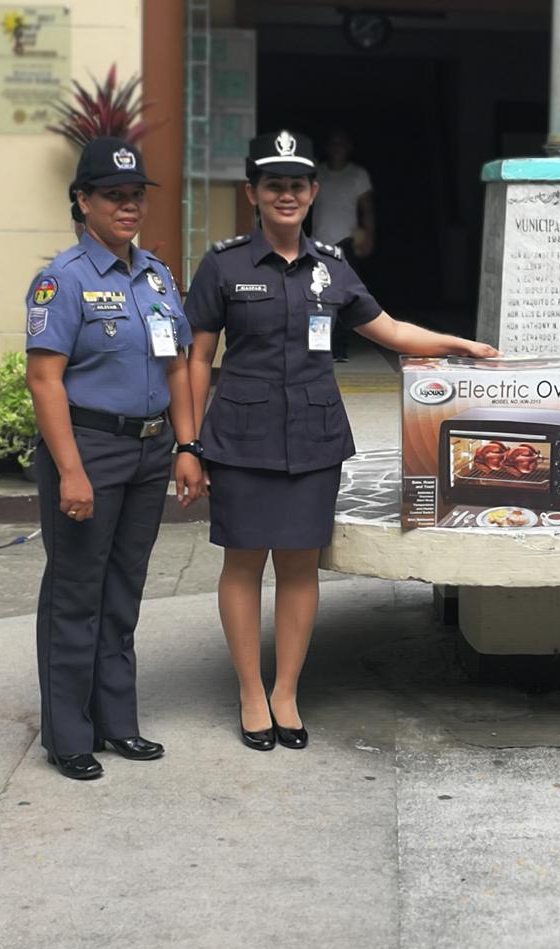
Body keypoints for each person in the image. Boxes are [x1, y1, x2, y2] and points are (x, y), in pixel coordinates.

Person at [183, 130, 494, 752]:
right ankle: (250, 692)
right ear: (253, 193)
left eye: (297, 184)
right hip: (240, 436)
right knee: (243, 564)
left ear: (313, 192)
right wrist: (187, 445)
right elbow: (197, 358)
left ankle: (286, 693)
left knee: (299, 567)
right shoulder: (224, 263)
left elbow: (391, 330)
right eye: (274, 184)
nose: (286, 194)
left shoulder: (331, 265)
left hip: (314, 436)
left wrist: (458, 343)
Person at [24, 136, 204, 782]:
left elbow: (178, 365)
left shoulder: (156, 275)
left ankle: (117, 722)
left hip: (151, 448)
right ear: (83, 201)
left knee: (124, 588)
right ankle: (69, 734)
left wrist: (187, 446)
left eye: (136, 196)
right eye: (114, 196)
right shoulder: (62, 281)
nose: (128, 207)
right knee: (76, 589)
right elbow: (45, 381)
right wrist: (69, 468)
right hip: (90, 446)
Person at [310, 129, 375, 361]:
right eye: (333, 142)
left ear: (349, 147)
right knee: (317, 297)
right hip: (318, 241)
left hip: (347, 241)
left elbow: (367, 209)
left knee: (345, 297)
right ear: (327, 147)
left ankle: (340, 349)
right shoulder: (318, 172)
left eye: (342, 142)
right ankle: (319, 347)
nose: (337, 146)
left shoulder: (358, 174)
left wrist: (368, 237)